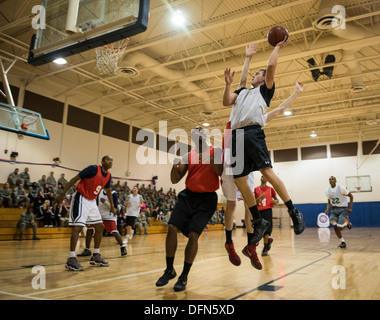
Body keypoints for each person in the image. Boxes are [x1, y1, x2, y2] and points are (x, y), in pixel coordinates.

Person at [222, 40, 305, 248]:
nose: (253, 76)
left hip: (252, 132)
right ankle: (258, 221)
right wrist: (245, 60)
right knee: (240, 180)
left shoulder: (264, 91)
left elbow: (271, 68)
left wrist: (276, 47)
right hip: (236, 136)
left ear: (263, 79)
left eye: (256, 74)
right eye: (253, 75)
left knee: (266, 172)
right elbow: (226, 100)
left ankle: (293, 211)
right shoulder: (242, 92)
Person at [155, 126, 223, 291]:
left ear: (205, 136)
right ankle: (169, 270)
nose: (198, 131)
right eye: (195, 131)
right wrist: (174, 165)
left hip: (207, 199)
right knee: (171, 227)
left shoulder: (216, 151)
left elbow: (219, 171)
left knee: (193, 235)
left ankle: (184, 275)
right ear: (193, 137)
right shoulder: (188, 155)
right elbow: (174, 179)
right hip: (188, 196)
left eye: (201, 130)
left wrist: (211, 157)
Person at [53, 155, 115, 271]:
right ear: (102, 162)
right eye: (108, 160)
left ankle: (96, 255)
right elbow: (74, 180)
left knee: (100, 226)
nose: (110, 162)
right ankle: (71, 258)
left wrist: (112, 206)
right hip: (81, 197)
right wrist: (61, 195)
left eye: (112, 160)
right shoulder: (93, 169)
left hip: (92, 201)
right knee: (78, 227)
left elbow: (108, 191)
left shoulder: (108, 176)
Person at [78, 188, 127, 257]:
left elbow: (115, 208)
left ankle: (122, 247)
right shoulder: (99, 191)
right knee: (90, 229)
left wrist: (105, 202)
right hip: (99, 214)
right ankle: (87, 249)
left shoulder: (113, 193)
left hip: (109, 215)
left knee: (114, 231)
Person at [325, 176, 354, 248]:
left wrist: (350, 208)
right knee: (335, 227)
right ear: (329, 181)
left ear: (336, 180)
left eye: (333, 178)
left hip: (342, 209)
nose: (331, 180)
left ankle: (347, 222)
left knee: (340, 227)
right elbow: (329, 202)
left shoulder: (341, 188)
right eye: (330, 179)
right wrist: (327, 209)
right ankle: (342, 242)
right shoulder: (327, 191)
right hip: (334, 210)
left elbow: (351, 196)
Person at [254, 176, 279, 256]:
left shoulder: (270, 189)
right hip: (258, 211)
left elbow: (277, 200)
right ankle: (268, 242)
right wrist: (259, 198)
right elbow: (253, 202)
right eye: (262, 176)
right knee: (259, 230)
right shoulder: (256, 189)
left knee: (266, 229)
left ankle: (265, 248)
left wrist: (274, 201)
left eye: (265, 177)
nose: (264, 177)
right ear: (260, 178)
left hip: (268, 210)